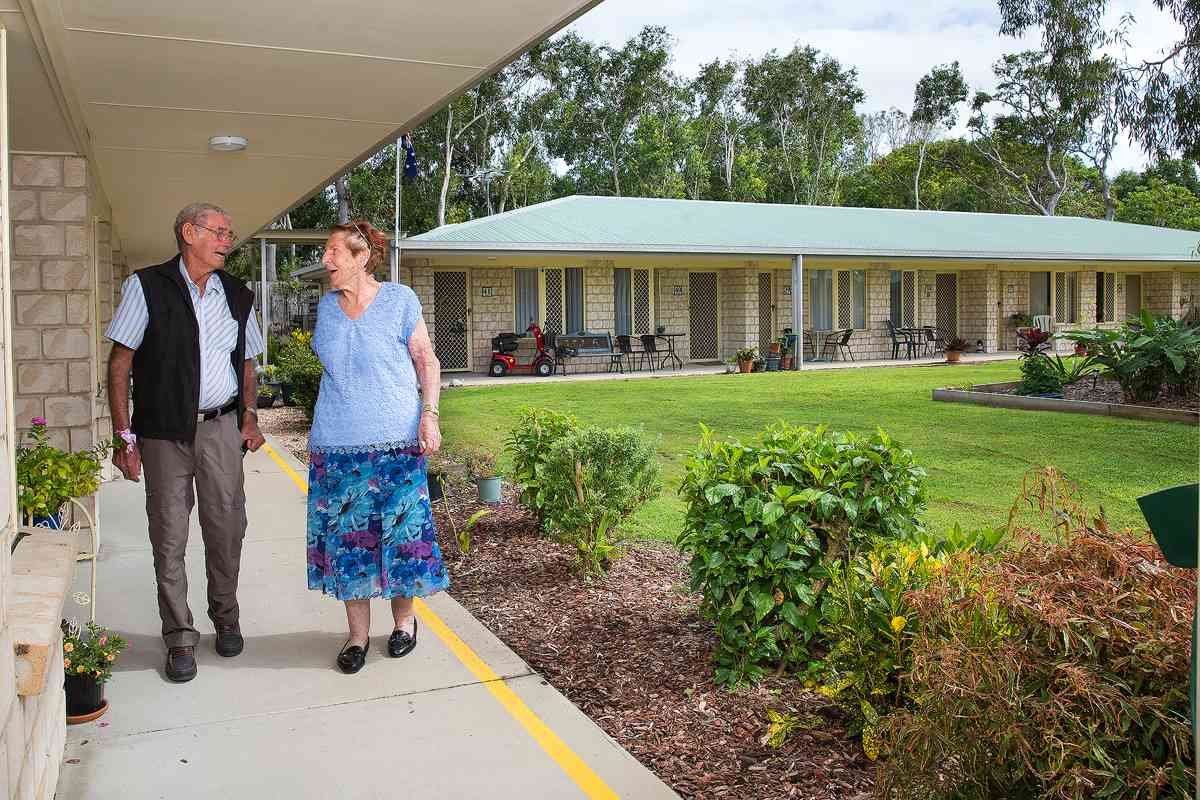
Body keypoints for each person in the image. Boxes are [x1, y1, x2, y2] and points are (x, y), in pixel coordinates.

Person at [106, 202, 266, 683]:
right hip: (162, 434)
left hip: (220, 428)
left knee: (227, 528)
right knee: (169, 536)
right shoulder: (146, 286)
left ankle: (226, 615)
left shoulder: (238, 294)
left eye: (229, 232)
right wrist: (124, 436)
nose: (227, 240)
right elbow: (119, 364)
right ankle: (178, 635)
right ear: (189, 233)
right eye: (219, 231)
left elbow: (247, 364)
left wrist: (250, 415)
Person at [306, 219, 448, 674]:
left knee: (401, 536)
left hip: (396, 444)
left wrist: (429, 414)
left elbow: (426, 360)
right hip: (337, 445)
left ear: (361, 257)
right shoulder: (326, 308)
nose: (325, 259)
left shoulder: (400, 300)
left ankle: (404, 623)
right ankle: (357, 637)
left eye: (333, 251)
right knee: (349, 542)